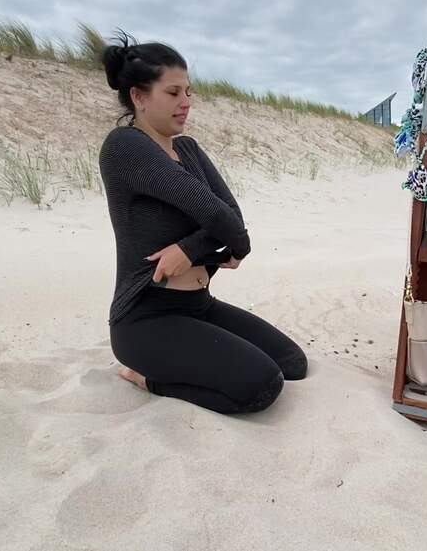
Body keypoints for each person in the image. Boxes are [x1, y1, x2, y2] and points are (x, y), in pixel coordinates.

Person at [98, 32, 308, 414]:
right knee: (262, 386)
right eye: (173, 92)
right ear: (139, 97)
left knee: (293, 364)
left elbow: (232, 218)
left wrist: (188, 249)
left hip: (199, 305)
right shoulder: (125, 147)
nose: (186, 102)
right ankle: (147, 379)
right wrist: (229, 242)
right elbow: (217, 217)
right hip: (146, 319)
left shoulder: (188, 149)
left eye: (188, 91)